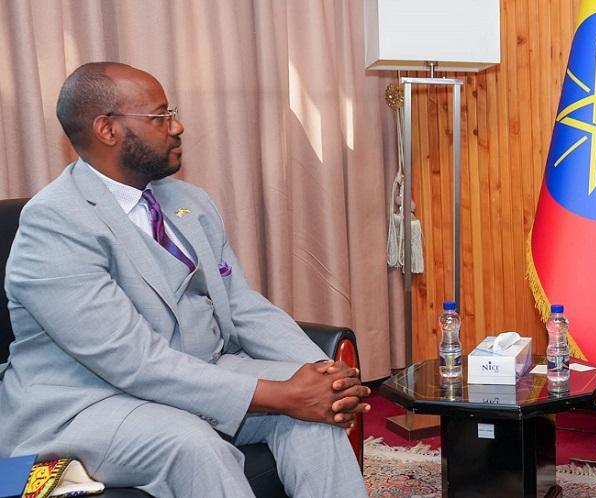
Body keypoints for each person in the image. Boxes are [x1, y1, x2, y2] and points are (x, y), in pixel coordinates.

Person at [0, 62, 370, 497]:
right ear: (107, 129)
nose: (177, 127)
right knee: (192, 445)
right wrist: (282, 394)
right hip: (87, 402)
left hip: (205, 371)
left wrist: (324, 377)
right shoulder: (54, 224)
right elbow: (133, 361)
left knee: (318, 414)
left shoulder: (189, 201)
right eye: (160, 116)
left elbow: (243, 305)